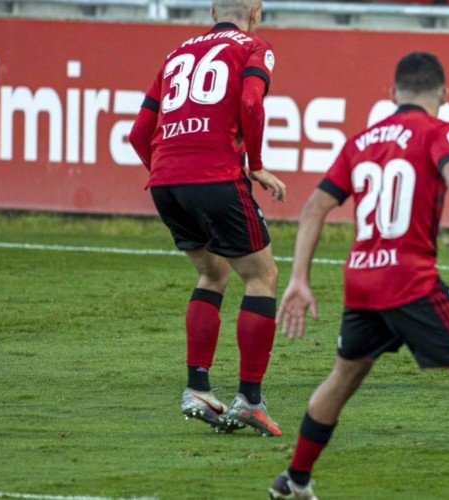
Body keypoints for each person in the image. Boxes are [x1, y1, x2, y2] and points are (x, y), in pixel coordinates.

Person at [268, 52, 449, 500]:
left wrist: (298, 279)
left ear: (392, 94)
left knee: (343, 378)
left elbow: (313, 208)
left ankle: (294, 479)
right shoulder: (439, 131)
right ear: (444, 95)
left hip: (361, 281)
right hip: (409, 281)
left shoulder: (361, 141)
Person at [128, 0, 288, 436]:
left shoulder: (176, 53)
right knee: (262, 276)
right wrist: (256, 165)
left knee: (212, 272)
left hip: (165, 182)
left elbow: (139, 133)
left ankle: (197, 388)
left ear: (212, 11)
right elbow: (251, 102)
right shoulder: (254, 47)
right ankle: (249, 400)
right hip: (215, 175)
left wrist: (169, 173)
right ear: (256, 12)